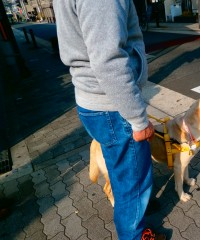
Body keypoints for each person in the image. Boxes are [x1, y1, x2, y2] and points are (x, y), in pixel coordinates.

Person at [53, 1, 166, 239]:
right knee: (132, 184)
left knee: (121, 171)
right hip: (113, 105)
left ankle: (135, 215)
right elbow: (108, 61)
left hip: (94, 99)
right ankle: (134, 234)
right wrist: (138, 118)